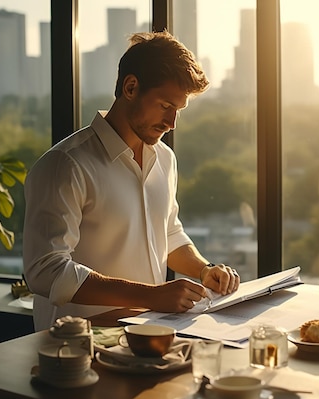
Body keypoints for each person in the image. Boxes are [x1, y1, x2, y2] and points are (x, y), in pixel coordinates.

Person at [23, 31, 240, 331]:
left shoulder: (164, 159)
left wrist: (203, 270)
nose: (172, 122)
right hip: (74, 348)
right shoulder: (65, 165)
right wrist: (152, 296)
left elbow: (169, 234)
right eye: (165, 105)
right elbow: (45, 271)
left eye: (178, 110)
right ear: (130, 87)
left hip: (146, 337)